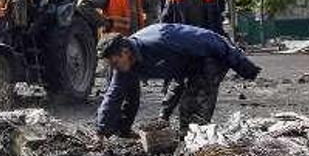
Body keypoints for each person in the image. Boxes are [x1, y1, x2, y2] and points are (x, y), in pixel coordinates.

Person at [94, 24, 261, 138]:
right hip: (184, 66)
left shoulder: (161, 41)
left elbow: (212, 40)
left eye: (115, 63)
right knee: (175, 101)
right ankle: (185, 135)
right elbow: (114, 95)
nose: (114, 68)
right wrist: (103, 131)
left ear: (124, 51)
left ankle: (194, 145)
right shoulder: (124, 64)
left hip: (210, 57)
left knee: (190, 110)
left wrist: (243, 66)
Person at [159, 0, 225, 121]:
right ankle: (164, 114)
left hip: (203, 49)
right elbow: (165, 25)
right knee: (178, 83)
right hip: (181, 49)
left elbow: (216, 24)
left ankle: (197, 121)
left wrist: (225, 44)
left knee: (203, 84)